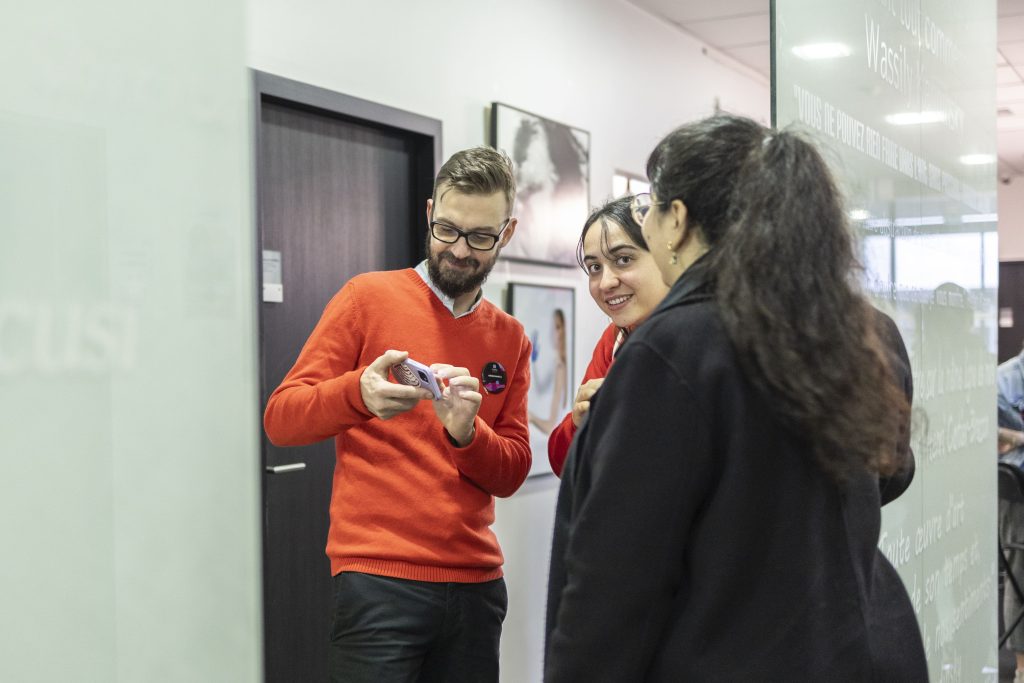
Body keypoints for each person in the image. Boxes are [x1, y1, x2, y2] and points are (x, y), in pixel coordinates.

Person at [545, 114, 927, 681]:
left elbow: (615, 579)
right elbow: (889, 474)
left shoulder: (674, 348)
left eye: (650, 207)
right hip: (851, 644)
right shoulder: (860, 329)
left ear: (677, 219)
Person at [264, 146, 532, 683]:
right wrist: (357, 395)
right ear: (430, 213)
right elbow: (282, 419)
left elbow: (512, 471)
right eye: (448, 230)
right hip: (378, 582)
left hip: (477, 588)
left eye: (480, 237)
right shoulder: (366, 298)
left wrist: (466, 434)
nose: (459, 250)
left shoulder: (510, 336)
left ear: (506, 233)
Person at [546, 196, 669, 475]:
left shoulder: (702, 336)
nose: (606, 283)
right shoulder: (616, 338)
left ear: (664, 254)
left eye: (624, 260)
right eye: (594, 267)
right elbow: (562, 462)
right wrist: (578, 421)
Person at [998, 342, 1024, 681]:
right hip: (1017, 496)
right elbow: (984, 432)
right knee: (1020, 580)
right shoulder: (1003, 381)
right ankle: (1021, 669)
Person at [528, 308, 569, 434]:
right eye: (553, 328)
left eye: (557, 327)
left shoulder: (560, 366)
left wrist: (530, 417)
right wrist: (533, 362)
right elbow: (541, 387)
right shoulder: (556, 362)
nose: (554, 333)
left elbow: (550, 427)